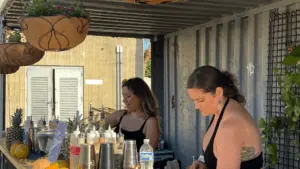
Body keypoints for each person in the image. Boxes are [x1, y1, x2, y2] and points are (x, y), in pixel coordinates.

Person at [186, 66, 263, 169]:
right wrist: (205, 165)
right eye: (193, 101)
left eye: (200, 100)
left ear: (218, 92)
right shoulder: (221, 110)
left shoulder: (230, 127)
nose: (196, 106)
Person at [105, 77, 160, 150]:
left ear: (140, 96)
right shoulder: (120, 115)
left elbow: (148, 155)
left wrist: (127, 157)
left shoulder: (150, 122)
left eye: (128, 96)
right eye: (123, 96)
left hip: (137, 161)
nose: (124, 100)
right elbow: (97, 126)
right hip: (114, 160)